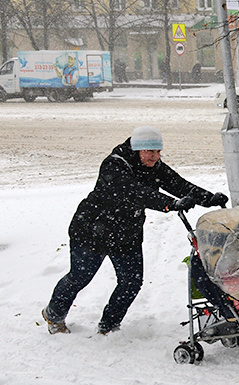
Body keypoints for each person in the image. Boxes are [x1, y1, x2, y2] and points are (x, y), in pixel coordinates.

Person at [42, 126, 228, 335]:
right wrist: (170, 204)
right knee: (80, 277)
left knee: (131, 282)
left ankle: (109, 325)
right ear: (137, 149)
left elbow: (177, 184)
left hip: (125, 233)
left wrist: (208, 198)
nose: (155, 157)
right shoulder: (114, 164)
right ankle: (54, 314)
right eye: (150, 152)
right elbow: (134, 193)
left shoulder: (153, 165)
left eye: (158, 152)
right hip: (92, 230)